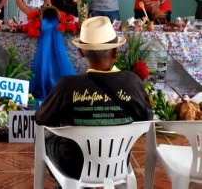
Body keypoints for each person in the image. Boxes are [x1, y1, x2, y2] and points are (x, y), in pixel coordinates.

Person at [35, 16, 153, 185]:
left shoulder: (66, 86)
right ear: (115, 52)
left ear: (81, 52)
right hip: (117, 163)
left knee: (44, 136)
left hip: (73, 166)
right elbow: (147, 119)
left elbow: (41, 118)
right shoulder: (133, 82)